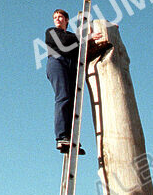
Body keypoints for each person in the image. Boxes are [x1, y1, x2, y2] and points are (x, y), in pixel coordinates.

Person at [45, 8, 112, 152]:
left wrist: (109, 28)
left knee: (72, 100)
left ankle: (69, 138)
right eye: (55, 17)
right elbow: (64, 43)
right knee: (63, 97)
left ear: (67, 20)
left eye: (60, 17)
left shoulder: (74, 37)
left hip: (71, 64)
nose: (57, 19)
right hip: (57, 62)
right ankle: (62, 135)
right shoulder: (51, 32)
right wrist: (86, 37)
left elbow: (81, 47)